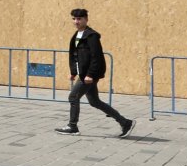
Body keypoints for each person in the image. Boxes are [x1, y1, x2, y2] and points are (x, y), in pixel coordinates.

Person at [56, 8, 134, 138]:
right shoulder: (76, 35)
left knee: (73, 97)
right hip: (83, 74)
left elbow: (96, 57)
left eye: (79, 19)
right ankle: (125, 122)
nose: (76, 21)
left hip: (88, 75)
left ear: (86, 19)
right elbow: (75, 55)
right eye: (74, 19)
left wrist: (90, 75)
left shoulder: (91, 36)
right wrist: (73, 72)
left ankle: (72, 126)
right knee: (95, 102)